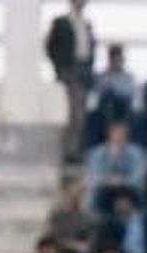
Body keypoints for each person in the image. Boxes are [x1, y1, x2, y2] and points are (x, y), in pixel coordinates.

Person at [45, 0, 95, 162]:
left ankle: (76, 149)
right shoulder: (61, 22)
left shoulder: (87, 24)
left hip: (84, 71)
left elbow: (90, 48)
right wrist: (59, 67)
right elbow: (50, 47)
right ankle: (69, 151)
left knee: (81, 112)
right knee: (73, 112)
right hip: (68, 70)